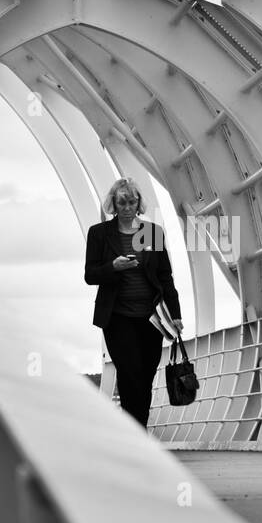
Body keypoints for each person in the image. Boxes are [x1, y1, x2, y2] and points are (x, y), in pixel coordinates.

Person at [84, 178, 184, 427]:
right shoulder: (100, 233)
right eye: (122, 202)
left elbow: (165, 277)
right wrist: (113, 267)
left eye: (132, 202)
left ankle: (138, 428)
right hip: (117, 317)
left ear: (138, 203)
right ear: (114, 204)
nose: (127, 207)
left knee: (146, 375)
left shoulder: (151, 233)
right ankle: (137, 432)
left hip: (152, 318)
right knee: (129, 374)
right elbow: (90, 274)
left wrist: (176, 315)